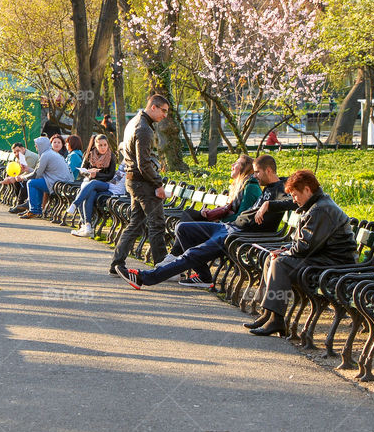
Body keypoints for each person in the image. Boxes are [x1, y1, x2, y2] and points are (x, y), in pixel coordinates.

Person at [116, 155, 293, 290]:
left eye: (257, 172)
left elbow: (295, 202)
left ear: (269, 171)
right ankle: (204, 276)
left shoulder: (282, 189)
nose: (254, 176)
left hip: (240, 234)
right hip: (228, 227)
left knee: (192, 253)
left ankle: (143, 278)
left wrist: (269, 205)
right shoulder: (267, 187)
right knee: (183, 228)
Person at [247, 169, 357, 337]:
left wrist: (285, 253)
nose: (293, 200)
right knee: (272, 258)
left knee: (280, 263)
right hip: (322, 258)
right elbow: (305, 244)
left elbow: (305, 247)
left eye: (295, 195)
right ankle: (268, 314)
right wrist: (284, 250)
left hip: (335, 263)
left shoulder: (321, 210)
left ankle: (277, 320)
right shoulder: (316, 206)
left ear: (307, 189)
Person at [110, 95, 170, 277]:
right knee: (157, 224)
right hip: (143, 182)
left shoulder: (134, 122)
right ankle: (162, 267)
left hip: (133, 180)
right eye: (163, 110)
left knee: (136, 223)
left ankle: (117, 262)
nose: (165, 115)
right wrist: (158, 184)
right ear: (153, 107)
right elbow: (144, 164)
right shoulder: (144, 129)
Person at [0, 135, 70, 219]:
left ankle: (34, 210)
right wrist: (28, 169)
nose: (36, 148)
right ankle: (34, 208)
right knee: (36, 182)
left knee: (31, 183)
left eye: (37, 146)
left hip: (58, 183)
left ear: (41, 145)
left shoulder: (46, 155)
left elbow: (37, 174)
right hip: (59, 181)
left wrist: (22, 178)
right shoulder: (49, 153)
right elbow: (39, 173)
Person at [69, 134, 116, 237]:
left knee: (92, 184)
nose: (103, 147)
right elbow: (82, 171)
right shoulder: (89, 154)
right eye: (100, 145)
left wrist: (96, 175)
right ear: (95, 145)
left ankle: (75, 204)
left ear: (108, 145)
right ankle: (87, 226)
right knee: (88, 193)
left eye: (105, 145)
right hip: (89, 182)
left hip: (104, 184)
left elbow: (111, 175)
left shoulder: (111, 156)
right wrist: (89, 173)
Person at [7, 142, 39, 214]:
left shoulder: (29, 157)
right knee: (16, 180)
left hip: (36, 176)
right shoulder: (20, 156)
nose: (16, 154)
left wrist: (18, 177)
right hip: (31, 175)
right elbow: (19, 171)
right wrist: (14, 177)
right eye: (14, 152)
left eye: (18, 151)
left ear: (23, 149)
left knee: (24, 181)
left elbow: (28, 173)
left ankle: (20, 203)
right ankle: (19, 203)